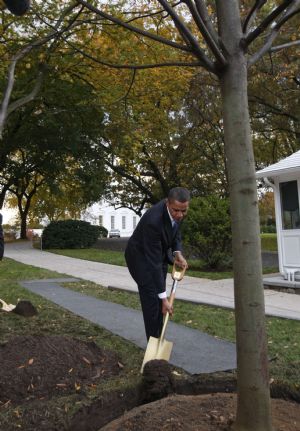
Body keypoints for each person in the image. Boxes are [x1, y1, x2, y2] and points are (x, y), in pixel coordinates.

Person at [125, 187, 190, 340]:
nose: (180, 215)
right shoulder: (153, 221)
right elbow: (152, 262)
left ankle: (158, 336)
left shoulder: (179, 209)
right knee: (152, 301)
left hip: (158, 254)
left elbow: (176, 234)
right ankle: (153, 345)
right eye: (176, 211)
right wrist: (163, 298)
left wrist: (177, 253)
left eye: (184, 211)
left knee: (160, 298)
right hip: (140, 259)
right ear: (167, 203)